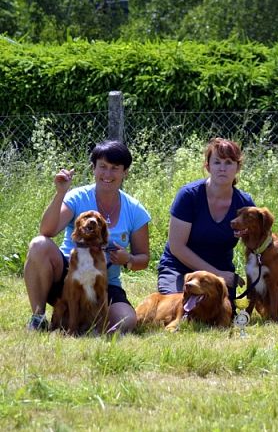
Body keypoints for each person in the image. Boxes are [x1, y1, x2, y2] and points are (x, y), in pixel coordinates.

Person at [24, 140, 151, 333]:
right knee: (39, 244)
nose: (107, 174)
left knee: (125, 322)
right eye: (102, 167)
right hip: (69, 275)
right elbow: (47, 231)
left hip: (105, 284)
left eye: (115, 168)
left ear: (125, 172)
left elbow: (144, 259)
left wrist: (129, 259)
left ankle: (84, 324)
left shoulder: (135, 210)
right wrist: (60, 193)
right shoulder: (77, 197)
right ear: (93, 168)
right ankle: (38, 318)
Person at [157, 138, 254, 306]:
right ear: (207, 166)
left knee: (218, 312)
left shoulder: (244, 204)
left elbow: (258, 243)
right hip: (180, 268)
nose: (222, 168)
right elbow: (177, 247)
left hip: (218, 272)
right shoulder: (188, 196)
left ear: (238, 168)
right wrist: (218, 274)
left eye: (229, 162)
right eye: (217, 162)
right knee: (177, 307)